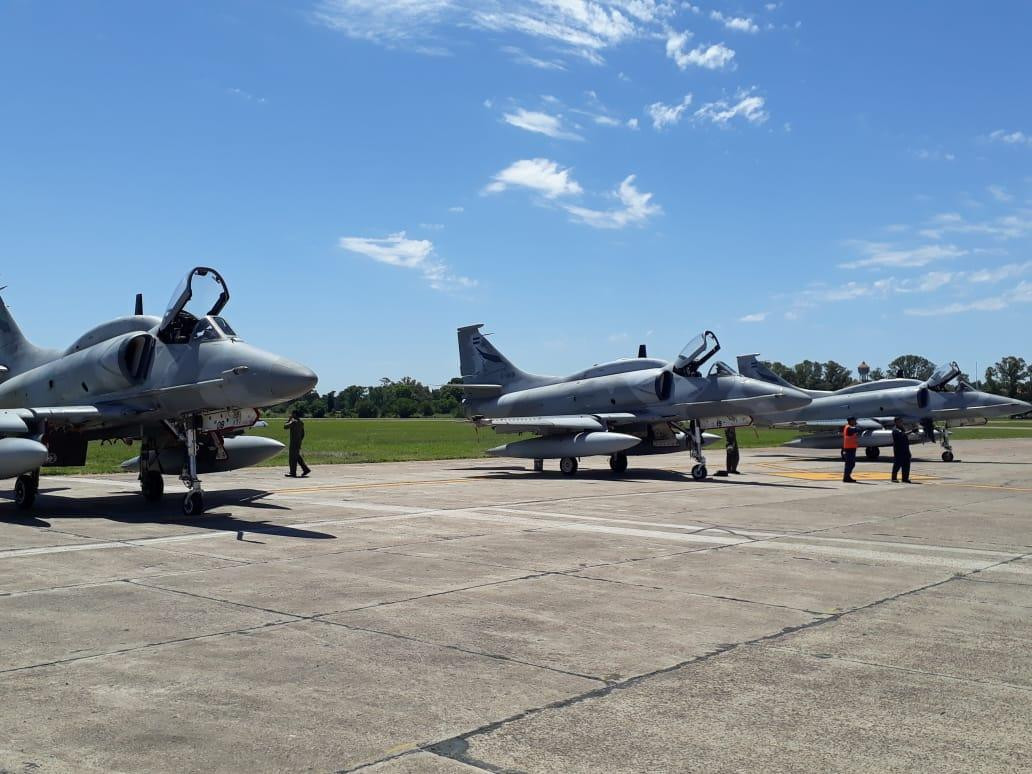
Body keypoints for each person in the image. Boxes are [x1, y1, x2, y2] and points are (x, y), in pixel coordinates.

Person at [284, 410, 311, 478]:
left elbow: (285, 427)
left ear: (295, 414)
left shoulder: (293, 422)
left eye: (292, 414)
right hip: (298, 442)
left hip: (293, 442)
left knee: (292, 458)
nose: (291, 415)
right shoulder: (301, 422)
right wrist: (300, 441)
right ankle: (305, 469)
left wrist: (289, 420)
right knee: (297, 457)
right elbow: (303, 433)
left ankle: (293, 473)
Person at [891, 417, 912, 483]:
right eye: (900, 421)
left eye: (901, 421)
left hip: (905, 449)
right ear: (896, 422)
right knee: (897, 464)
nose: (901, 422)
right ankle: (894, 478)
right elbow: (902, 434)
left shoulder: (902, 428)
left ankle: (905, 478)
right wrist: (912, 431)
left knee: (906, 464)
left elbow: (904, 434)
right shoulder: (895, 429)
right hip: (899, 450)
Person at [842, 416, 860, 483]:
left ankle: (847, 477)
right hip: (849, 449)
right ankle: (846, 477)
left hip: (851, 448)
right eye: (854, 420)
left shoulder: (850, 427)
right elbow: (857, 429)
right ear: (851, 421)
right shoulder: (849, 428)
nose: (855, 422)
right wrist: (858, 425)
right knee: (850, 464)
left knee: (850, 464)